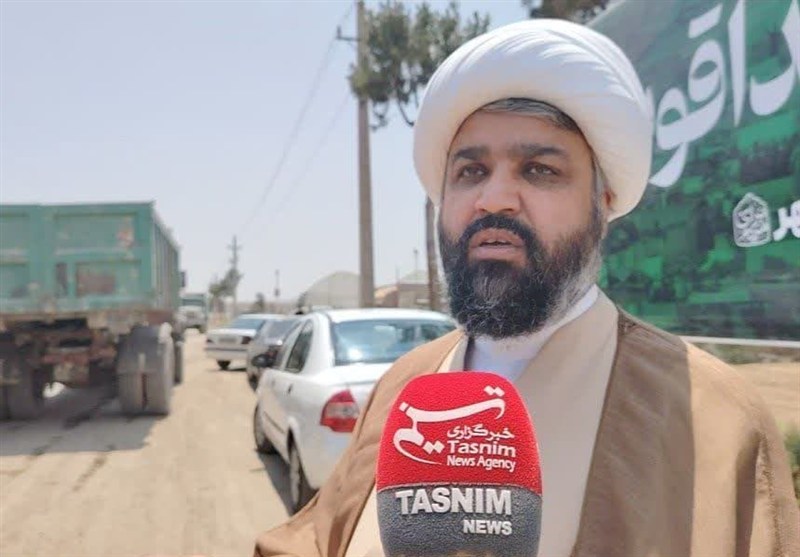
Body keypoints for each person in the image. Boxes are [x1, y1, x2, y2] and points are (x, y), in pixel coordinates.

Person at [254, 19, 799, 557]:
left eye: (539, 170)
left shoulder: (716, 415)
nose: (494, 199)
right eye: (470, 172)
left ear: (603, 202)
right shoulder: (404, 385)